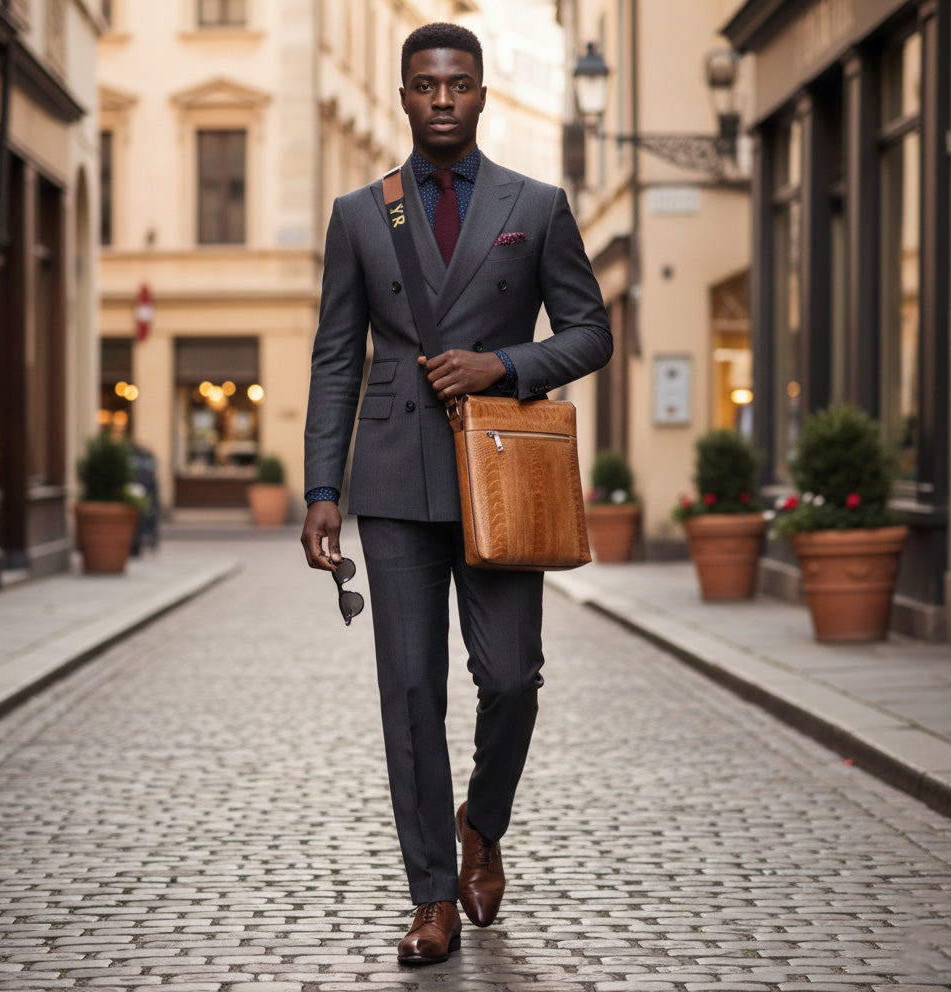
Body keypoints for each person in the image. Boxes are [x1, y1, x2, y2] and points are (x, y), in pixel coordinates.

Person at [300, 21, 612, 966]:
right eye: (427, 84)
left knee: (512, 678)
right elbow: (335, 358)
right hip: (392, 478)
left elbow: (591, 331)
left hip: (504, 472)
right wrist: (323, 486)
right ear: (403, 95)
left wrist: (504, 364)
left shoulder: (538, 203)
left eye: (460, 84)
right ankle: (431, 894)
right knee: (408, 690)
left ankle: (485, 818)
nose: (443, 99)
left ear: (480, 95)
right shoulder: (362, 213)